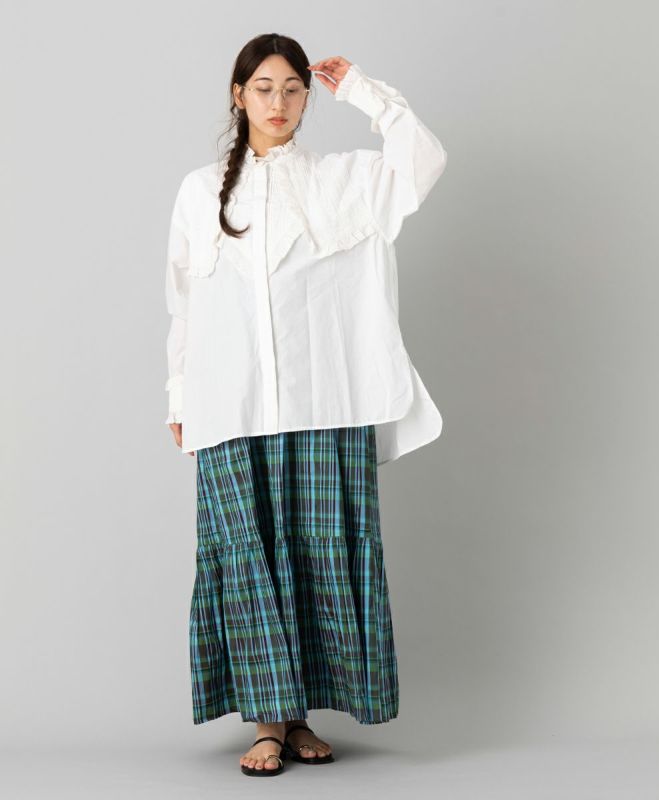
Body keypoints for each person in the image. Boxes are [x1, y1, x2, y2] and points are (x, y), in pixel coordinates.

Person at [163, 34, 447, 777]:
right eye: (264, 88)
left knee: (317, 553)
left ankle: (297, 721)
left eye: (293, 89)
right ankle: (266, 724)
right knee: (249, 554)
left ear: (308, 97)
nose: (279, 102)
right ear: (238, 96)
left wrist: (364, 91)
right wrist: (179, 395)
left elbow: (422, 159)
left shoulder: (343, 180)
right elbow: (183, 303)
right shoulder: (200, 191)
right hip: (231, 404)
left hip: (326, 401)